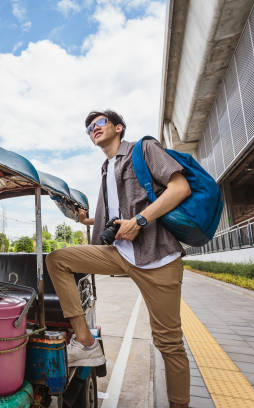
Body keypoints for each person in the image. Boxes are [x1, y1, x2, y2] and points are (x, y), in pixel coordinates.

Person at [45, 110, 191, 408]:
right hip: (119, 254)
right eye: (88, 128)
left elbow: (180, 187)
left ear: (118, 127)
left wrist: (140, 220)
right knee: (58, 259)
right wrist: (85, 220)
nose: (93, 129)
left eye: (99, 123)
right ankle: (86, 343)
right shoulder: (105, 168)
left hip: (157, 257)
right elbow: (114, 217)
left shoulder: (143, 149)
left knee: (168, 343)